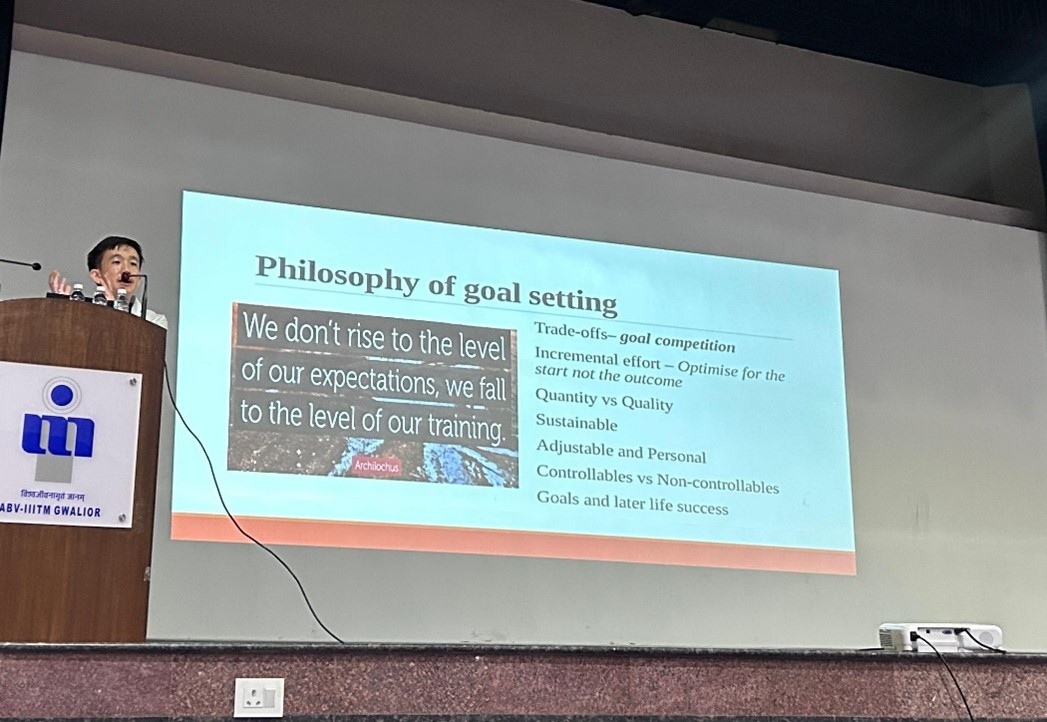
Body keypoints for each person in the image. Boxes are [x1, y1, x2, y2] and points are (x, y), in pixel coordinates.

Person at [49, 235, 168, 329]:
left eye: (133, 263)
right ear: (96, 275)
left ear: (139, 279)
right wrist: (64, 312)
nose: (126, 270)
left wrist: (114, 311)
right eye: (117, 262)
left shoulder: (154, 321)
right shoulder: (83, 315)